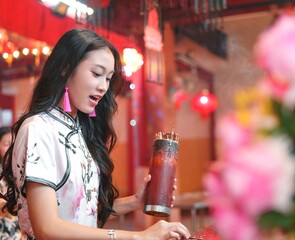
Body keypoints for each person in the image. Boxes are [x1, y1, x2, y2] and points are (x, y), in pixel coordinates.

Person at [0, 28, 190, 240]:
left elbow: (82, 213)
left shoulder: (77, 128)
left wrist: (135, 200)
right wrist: (138, 237)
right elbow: (47, 228)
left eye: (108, 78)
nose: (103, 87)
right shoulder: (39, 129)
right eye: (97, 74)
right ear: (65, 68)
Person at [0, 126, 22, 239]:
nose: (11, 150)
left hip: (19, 230)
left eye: (14, 145)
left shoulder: (17, 170)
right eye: (6, 144)